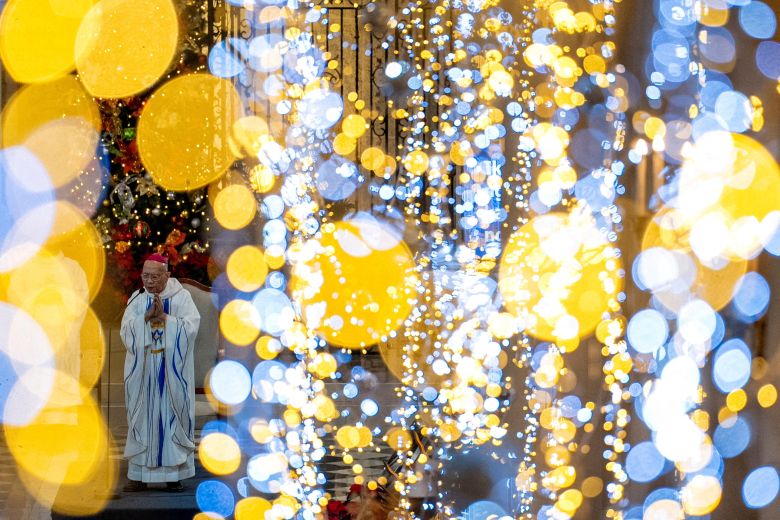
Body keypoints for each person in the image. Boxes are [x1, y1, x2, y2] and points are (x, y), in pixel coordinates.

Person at [120, 254, 200, 492]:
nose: (150, 281)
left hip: (172, 371)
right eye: (146, 276)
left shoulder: (182, 298)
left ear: (167, 275)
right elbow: (126, 332)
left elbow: (190, 328)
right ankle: (138, 474)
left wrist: (165, 318)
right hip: (144, 371)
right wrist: (144, 319)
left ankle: (173, 475)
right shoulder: (137, 299)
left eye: (155, 276)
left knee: (172, 417)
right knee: (141, 417)